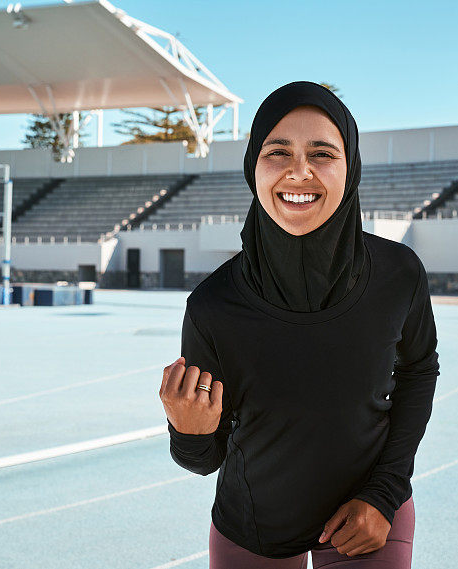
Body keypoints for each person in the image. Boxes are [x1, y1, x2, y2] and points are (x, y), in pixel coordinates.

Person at [158, 80, 440, 568]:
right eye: (278, 152)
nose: (299, 172)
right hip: (254, 528)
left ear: (350, 168)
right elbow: (203, 461)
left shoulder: (399, 274)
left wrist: (384, 494)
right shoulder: (213, 306)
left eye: (323, 153)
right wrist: (188, 432)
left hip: (369, 524)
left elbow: (419, 371)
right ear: (254, 167)